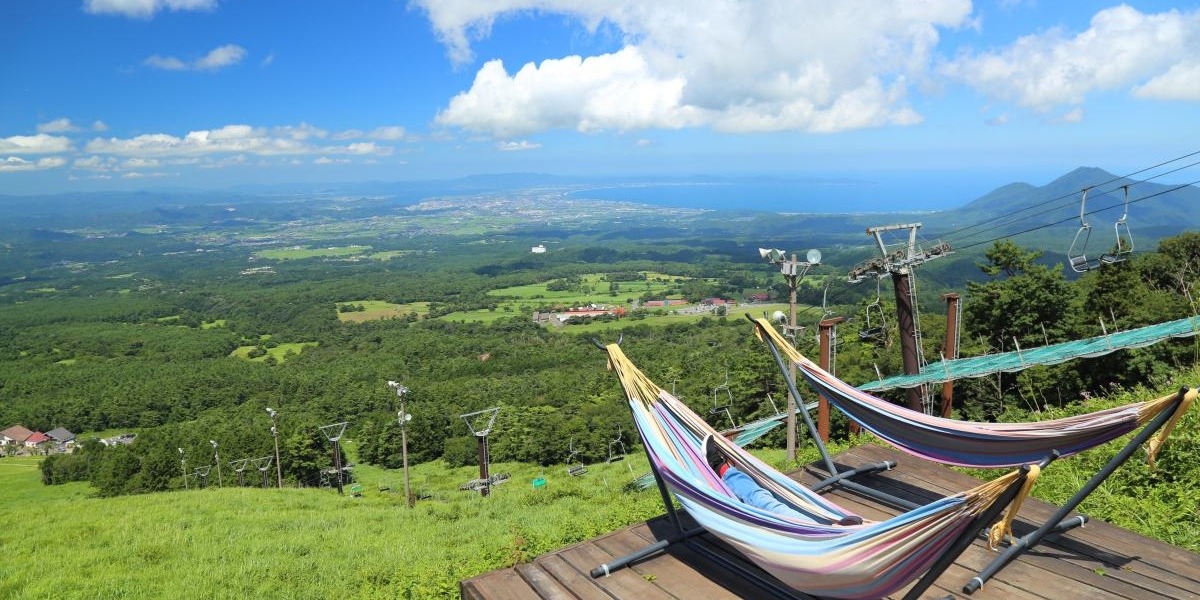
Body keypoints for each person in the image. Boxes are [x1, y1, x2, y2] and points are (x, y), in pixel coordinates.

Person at [703, 434, 862, 525]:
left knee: (765, 501)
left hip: (824, 539)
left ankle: (721, 469)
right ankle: (835, 525)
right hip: (843, 535)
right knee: (792, 499)